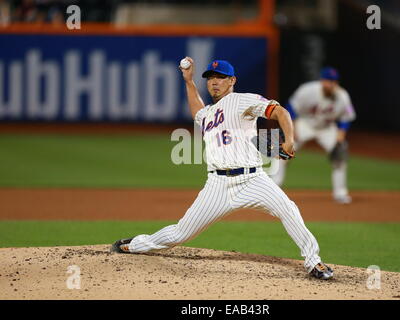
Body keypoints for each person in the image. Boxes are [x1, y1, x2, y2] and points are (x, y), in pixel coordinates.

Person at [111, 58, 334, 280]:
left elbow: (280, 112)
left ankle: (313, 261)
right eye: (210, 78)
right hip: (217, 185)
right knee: (181, 232)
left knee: (288, 209)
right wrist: (189, 82)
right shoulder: (209, 114)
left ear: (232, 80)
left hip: (252, 179)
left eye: (220, 77)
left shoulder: (241, 100)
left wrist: (289, 140)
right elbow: (197, 112)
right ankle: (137, 244)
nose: (214, 82)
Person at [269, 67, 356, 204]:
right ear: (322, 81)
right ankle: (273, 188)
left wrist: (341, 135)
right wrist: (293, 128)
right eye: (328, 81)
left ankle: (340, 193)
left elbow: (347, 117)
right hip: (305, 123)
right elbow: (290, 107)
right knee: (282, 152)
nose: (331, 84)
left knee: (340, 154)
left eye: (333, 81)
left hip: (327, 127)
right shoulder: (307, 90)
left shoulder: (343, 96)